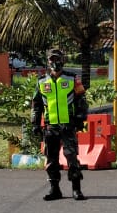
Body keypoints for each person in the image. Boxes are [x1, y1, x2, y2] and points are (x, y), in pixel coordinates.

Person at [30, 48, 88, 201]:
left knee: (72, 157)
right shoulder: (41, 82)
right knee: (51, 159)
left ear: (63, 61)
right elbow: (36, 105)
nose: (55, 63)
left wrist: (81, 119)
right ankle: (54, 189)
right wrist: (35, 123)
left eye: (58, 59)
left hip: (68, 125)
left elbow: (82, 100)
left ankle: (76, 189)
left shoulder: (72, 79)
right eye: (52, 60)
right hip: (50, 126)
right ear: (48, 62)